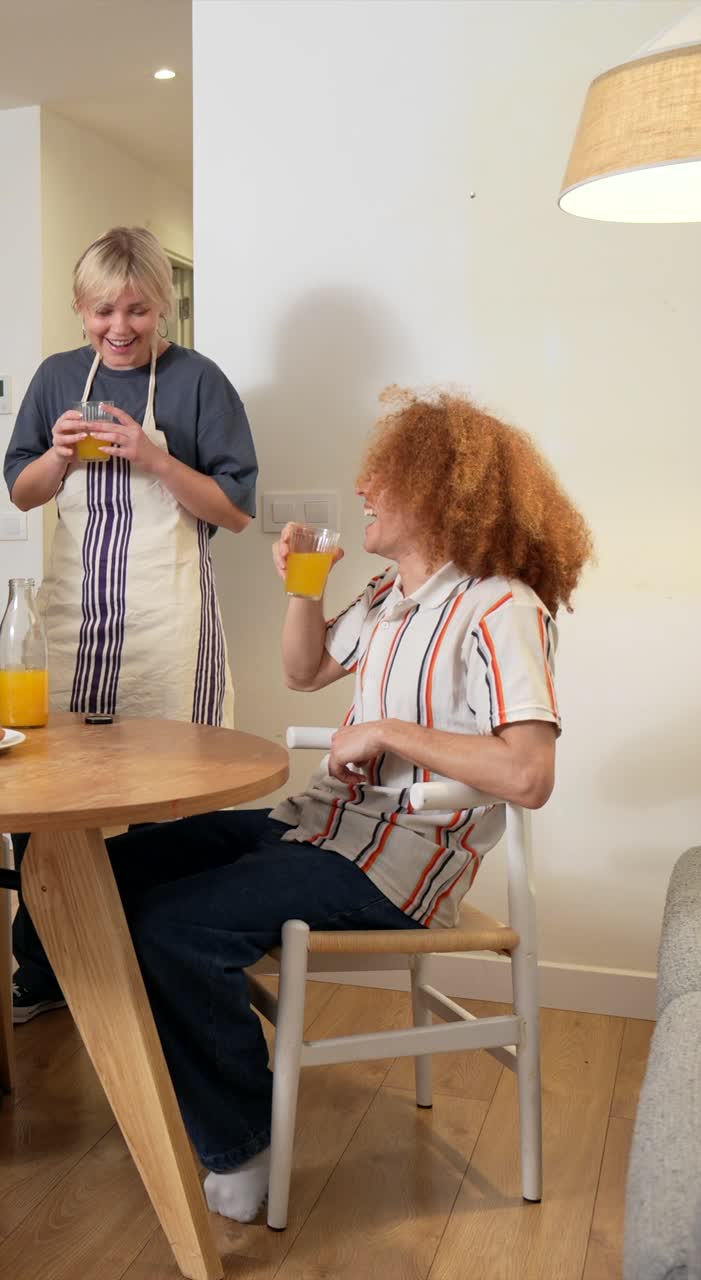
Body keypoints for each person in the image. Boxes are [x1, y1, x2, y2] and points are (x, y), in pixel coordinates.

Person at [96, 386, 593, 1226]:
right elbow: (305, 671)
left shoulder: (501, 606)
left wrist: (391, 731)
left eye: (383, 479)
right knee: (115, 867)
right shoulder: (391, 596)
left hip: (397, 867)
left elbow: (529, 774)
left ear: (439, 493)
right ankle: (165, 1082)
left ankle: (242, 1142)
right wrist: (305, 584)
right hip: (322, 828)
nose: (364, 490)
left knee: (172, 926)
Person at [3, 226, 258, 1022]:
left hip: (162, 614)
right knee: (45, 788)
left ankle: (159, 965)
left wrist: (152, 457)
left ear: (164, 308)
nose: (120, 326)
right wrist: (59, 457)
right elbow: (22, 491)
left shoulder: (199, 383)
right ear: (80, 309)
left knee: (168, 789)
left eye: (139, 309)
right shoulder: (54, 379)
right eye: (104, 310)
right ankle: (44, 968)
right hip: (76, 611)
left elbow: (237, 511)